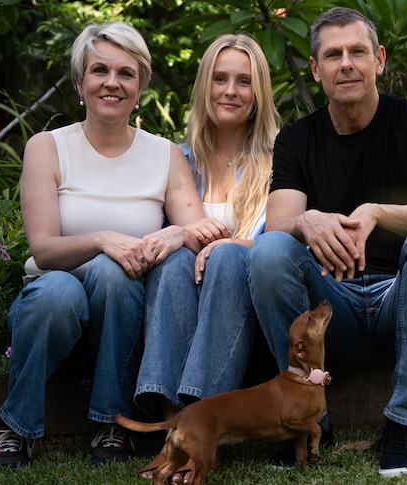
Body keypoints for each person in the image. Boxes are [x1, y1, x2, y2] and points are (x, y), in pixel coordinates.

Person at [0, 21, 221, 468]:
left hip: (124, 320)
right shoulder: (48, 147)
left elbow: (200, 230)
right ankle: (16, 428)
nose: (112, 82)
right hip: (50, 318)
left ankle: (113, 421)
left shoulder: (164, 154)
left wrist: (178, 231)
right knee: (59, 288)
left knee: (114, 274)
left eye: (126, 73)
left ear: (140, 88)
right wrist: (102, 240)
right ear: (81, 83)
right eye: (99, 71)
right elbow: (43, 250)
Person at [245, 7, 407, 479]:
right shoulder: (297, 140)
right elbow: (279, 223)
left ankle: (403, 424)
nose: (346, 63)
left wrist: (379, 212)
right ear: (316, 69)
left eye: (357, 52)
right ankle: (306, 424)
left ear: (379, 60)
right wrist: (307, 222)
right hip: (330, 311)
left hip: (398, 302)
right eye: (333, 54)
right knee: (268, 250)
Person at [133, 33, 278, 482]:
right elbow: (157, 240)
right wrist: (180, 233)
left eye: (243, 81)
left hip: (244, 305)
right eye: (220, 78)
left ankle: (198, 428)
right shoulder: (176, 158)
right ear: (204, 85)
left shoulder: (281, 160)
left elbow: (284, 247)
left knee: (230, 260)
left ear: (259, 94)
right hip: (184, 298)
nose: (230, 91)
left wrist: (233, 245)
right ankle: (174, 424)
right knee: (173, 260)